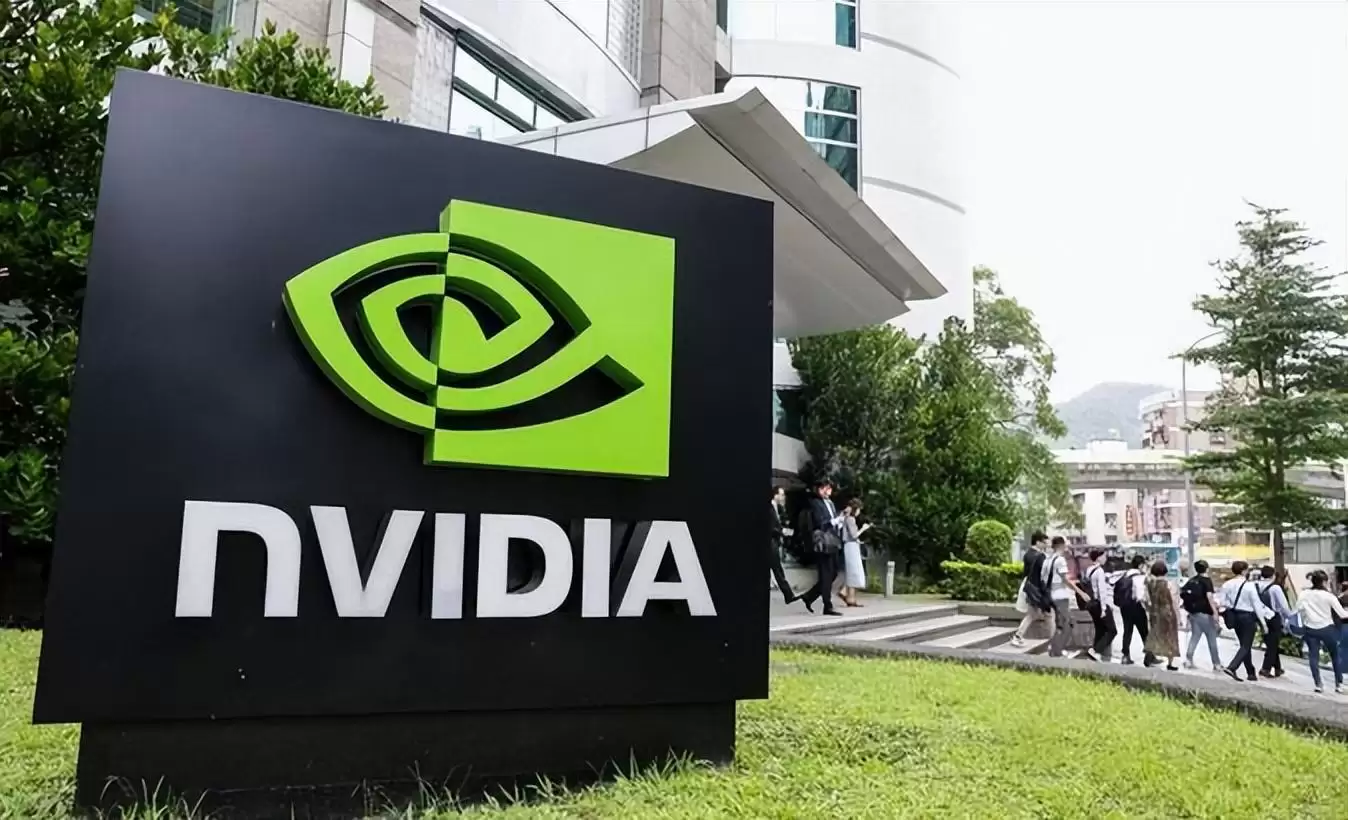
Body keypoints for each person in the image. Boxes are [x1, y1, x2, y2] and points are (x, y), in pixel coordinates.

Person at [798, 479, 846, 616]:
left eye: (829, 488)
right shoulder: (815, 503)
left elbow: (833, 521)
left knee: (833, 573)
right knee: (826, 573)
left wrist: (839, 522)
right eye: (825, 488)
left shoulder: (830, 503)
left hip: (832, 541)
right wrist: (834, 521)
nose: (828, 490)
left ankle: (809, 596)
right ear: (819, 489)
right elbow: (820, 523)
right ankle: (827, 605)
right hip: (822, 542)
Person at [1294, 570, 1346, 694]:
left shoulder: (1304, 594)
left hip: (1310, 628)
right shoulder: (1328, 596)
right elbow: (1342, 614)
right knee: (1335, 655)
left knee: (1313, 656)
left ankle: (1318, 684)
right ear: (1324, 582)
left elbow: (1298, 609)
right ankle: (1338, 684)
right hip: (1327, 628)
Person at [1221, 560, 1272, 682]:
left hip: (1235, 615)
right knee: (1246, 645)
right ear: (1244, 571)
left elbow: (1222, 602)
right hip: (1248, 616)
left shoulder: (1227, 585)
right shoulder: (1249, 586)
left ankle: (1251, 672)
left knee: (1243, 645)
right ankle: (1232, 667)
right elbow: (1256, 605)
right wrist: (1263, 623)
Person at [1042, 537, 1091, 658]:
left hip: (1051, 595)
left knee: (1060, 624)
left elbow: (1043, 578)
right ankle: (1057, 651)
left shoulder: (1047, 560)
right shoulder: (1060, 560)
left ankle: (1054, 649)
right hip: (1060, 596)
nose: (1067, 548)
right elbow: (1065, 580)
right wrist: (1081, 593)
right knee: (1067, 624)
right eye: (1065, 545)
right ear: (1061, 546)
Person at [1179, 560, 1223, 671]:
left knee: (1194, 637)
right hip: (1205, 613)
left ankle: (1188, 660)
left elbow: (1183, 593)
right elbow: (1209, 597)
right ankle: (1216, 663)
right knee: (1211, 638)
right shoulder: (1206, 581)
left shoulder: (1192, 580)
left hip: (1193, 613)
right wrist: (1215, 612)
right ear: (1207, 568)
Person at [1011, 532, 1052, 647]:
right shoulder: (1038, 556)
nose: (1046, 545)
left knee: (1035, 614)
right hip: (1037, 589)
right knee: (1046, 614)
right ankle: (1055, 643)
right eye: (1044, 543)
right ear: (1038, 542)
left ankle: (1018, 635)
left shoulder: (1029, 554)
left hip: (1031, 588)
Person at [1256, 565, 1294, 679]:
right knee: (1273, 643)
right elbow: (1283, 606)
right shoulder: (1275, 588)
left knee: (1271, 642)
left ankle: (1278, 668)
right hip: (1273, 617)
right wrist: (1289, 617)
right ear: (1273, 575)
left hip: (1261, 616)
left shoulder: (1256, 585)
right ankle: (1265, 668)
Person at [1142, 559, 1181, 670]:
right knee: (1170, 637)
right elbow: (1173, 601)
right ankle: (1170, 662)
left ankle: (1148, 656)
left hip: (1155, 612)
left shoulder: (1150, 583)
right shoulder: (1168, 584)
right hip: (1167, 612)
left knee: (1154, 635)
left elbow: (1145, 599)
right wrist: (1178, 616)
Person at [1117, 555, 1155, 666]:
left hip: (1124, 607)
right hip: (1136, 607)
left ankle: (1125, 656)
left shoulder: (1125, 574)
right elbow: (1140, 596)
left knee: (1127, 631)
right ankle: (1149, 657)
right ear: (1140, 565)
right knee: (1144, 632)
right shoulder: (1140, 577)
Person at [1081, 548, 1116, 662]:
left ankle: (1095, 653)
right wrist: (1104, 609)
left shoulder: (1089, 570)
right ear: (1098, 557)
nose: (1105, 558)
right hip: (1099, 604)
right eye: (1104, 556)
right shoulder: (1099, 571)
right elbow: (1102, 591)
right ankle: (1095, 650)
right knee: (1112, 630)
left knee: (1100, 629)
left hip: (1091, 604)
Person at [768, 487, 800, 607]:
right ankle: (788, 595)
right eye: (781, 495)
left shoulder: (777, 508)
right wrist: (782, 531)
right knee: (777, 570)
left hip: (774, 542)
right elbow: (769, 527)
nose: (783, 497)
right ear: (775, 495)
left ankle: (788, 595)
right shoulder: (769, 508)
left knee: (777, 570)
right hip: (770, 543)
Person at [837, 499, 871, 608]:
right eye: (859, 509)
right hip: (851, 547)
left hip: (850, 545)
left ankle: (849, 596)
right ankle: (846, 593)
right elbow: (854, 535)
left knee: (852, 571)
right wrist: (863, 529)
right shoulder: (850, 519)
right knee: (855, 571)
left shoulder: (846, 518)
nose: (859, 512)